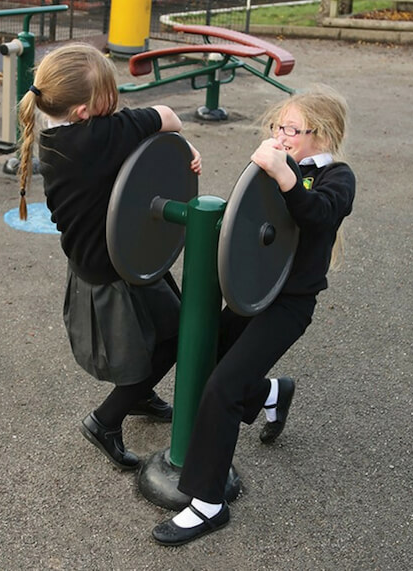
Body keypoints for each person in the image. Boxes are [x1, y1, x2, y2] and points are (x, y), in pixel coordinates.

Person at [152, 85, 356, 545]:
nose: (282, 135)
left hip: (289, 305)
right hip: (253, 293)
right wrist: (262, 168)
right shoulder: (279, 165)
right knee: (212, 360)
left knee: (223, 387)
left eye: (292, 129)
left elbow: (317, 214)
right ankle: (270, 394)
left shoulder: (337, 178)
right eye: (278, 127)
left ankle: (208, 503)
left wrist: (283, 173)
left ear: (319, 135)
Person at [17, 43, 201, 471]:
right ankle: (106, 419)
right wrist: (185, 147)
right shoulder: (103, 135)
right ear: (85, 110)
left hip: (99, 260)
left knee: (157, 329)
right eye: (108, 95)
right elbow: (168, 117)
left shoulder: (58, 136)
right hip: (116, 269)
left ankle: (141, 396)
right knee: (173, 338)